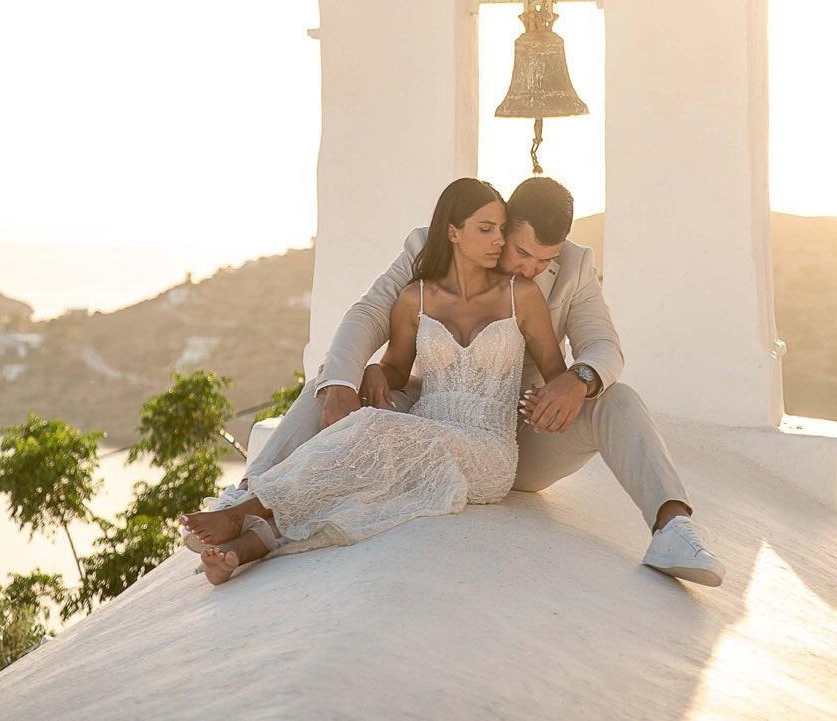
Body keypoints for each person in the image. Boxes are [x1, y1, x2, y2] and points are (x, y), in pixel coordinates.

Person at [185, 175, 724, 587]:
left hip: (525, 428)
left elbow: (604, 346)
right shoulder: (432, 250)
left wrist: (579, 379)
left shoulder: (575, 269)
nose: (533, 268)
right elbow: (370, 313)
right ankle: (252, 496)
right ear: (499, 226)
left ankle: (672, 528)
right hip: (429, 409)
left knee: (619, 399)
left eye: (547, 260)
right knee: (332, 381)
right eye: (521, 252)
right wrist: (359, 377)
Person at [181, 178, 566, 582]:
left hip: (486, 453)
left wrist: (562, 391)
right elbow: (396, 370)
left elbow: (556, 374)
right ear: (453, 232)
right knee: (352, 487)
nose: (497, 241)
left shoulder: (519, 294)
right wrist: (372, 370)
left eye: (501, 230)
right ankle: (242, 549)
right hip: (425, 435)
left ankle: (245, 509)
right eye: (484, 229)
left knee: (373, 430)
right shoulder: (414, 298)